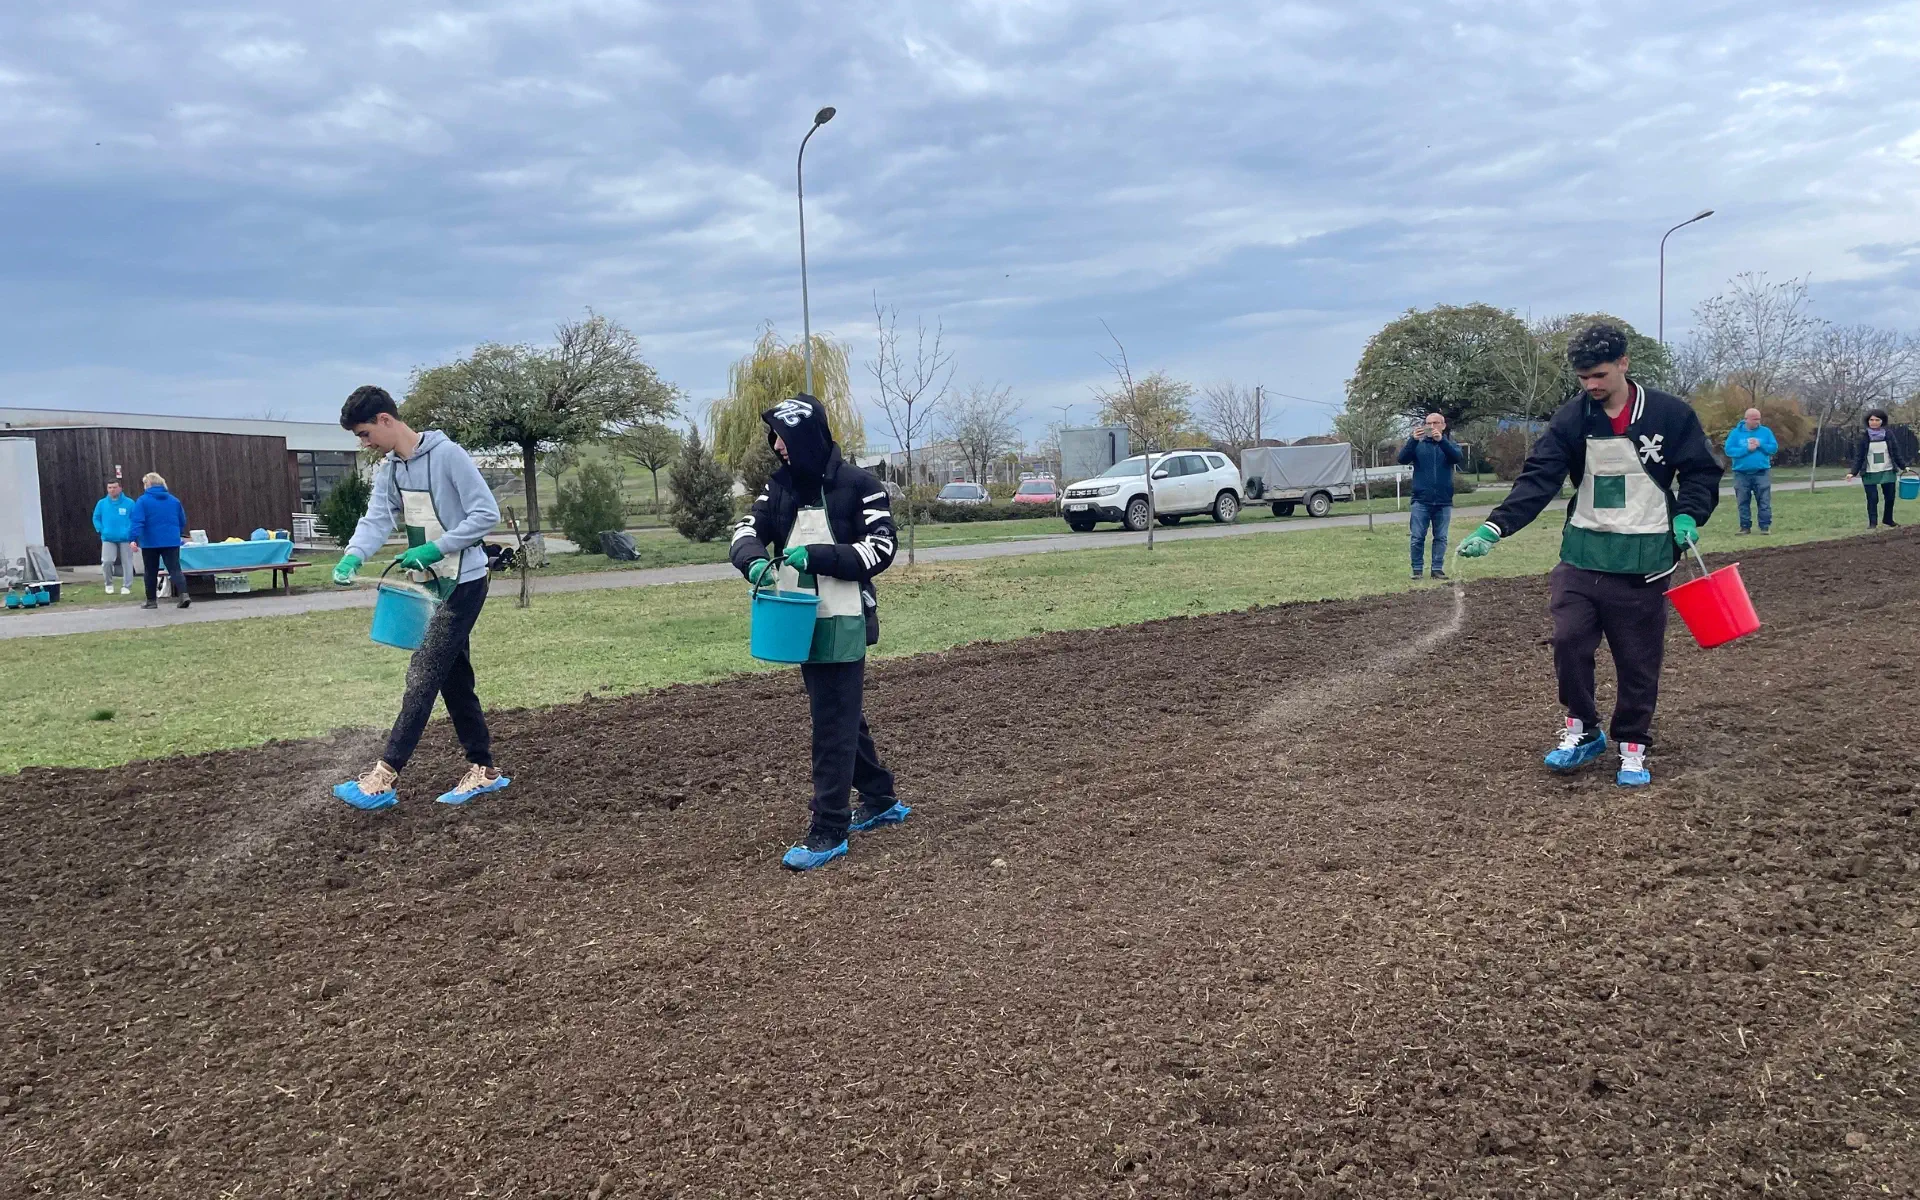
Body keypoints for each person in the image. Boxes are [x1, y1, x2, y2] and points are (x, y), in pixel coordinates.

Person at [1457, 322, 1722, 787]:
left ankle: (1633, 746)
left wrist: (1690, 515)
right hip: (1581, 554)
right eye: (1583, 378)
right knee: (1569, 640)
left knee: (1637, 660)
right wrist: (1495, 527)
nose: (1591, 386)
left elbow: (1701, 472)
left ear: (1623, 363)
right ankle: (1582, 727)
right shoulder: (1572, 419)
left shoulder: (1670, 414)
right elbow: (1538, 479)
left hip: (1644, 562)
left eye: (1599, 375)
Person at [729, 393, 910, 870]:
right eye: (774, 437)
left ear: (809, 435)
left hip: (844, 618)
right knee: (840, 712)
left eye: (786, 437)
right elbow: (746, 530)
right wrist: (751, 563)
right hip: (793, 617)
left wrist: (821, 557)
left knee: (831, 718)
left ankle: (830, 826)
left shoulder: (862, 486)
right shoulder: (779, 489)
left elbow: (880, 549)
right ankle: (880, 798)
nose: (778, 446)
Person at [329, 386, 509, 811]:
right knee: (453, 677)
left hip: (464, 581)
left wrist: (438, 547)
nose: (365, 443)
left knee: (424, 672)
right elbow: (376, 518)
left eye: (365, 433)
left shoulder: (449, 456)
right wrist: (353, 556)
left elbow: (486, 513)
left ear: (386, 421)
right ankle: (483, 769)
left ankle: (384, 777)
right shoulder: (391, 470)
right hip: (430, 585)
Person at [1397, 411, 1464, 580]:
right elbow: (1402, 459)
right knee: (1417, 537)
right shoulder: (1418, 445)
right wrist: (1412, 439)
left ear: (1443, 426)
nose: (1432, 427)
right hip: (1421, 499)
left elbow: (1457, 457)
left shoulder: (1449, 445)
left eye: (1435, 423)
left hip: (1444, 500)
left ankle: (1437, 569)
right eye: (1429, 423)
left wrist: (1441, 441)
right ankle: (1417, 570)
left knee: (1441, 537)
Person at [130, 473, 190, 611]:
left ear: (148, 485)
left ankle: (151, 601)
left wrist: (133, 538)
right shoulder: (174, 501)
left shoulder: (143, 501)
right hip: (171, 540)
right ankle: (184, 594)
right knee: (175, 569)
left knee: (150, 571)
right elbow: (182, 520)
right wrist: (176, 533)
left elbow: (138, 521)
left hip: (150, 541)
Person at [1846, 409, 1908, 528]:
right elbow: (1859, 456)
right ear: (1868, 421)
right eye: (1871, 420)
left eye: (1877, 420)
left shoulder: (1889, 434)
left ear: (1882, 421)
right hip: (1869, 472)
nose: (1874, 422)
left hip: (1888, 470)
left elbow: (1895, 452)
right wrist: (1852, 472)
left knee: (1890, 497)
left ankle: (1888, 520)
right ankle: (1872, 523)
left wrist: (1903, 466)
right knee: (1872, 498)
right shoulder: (1863, 436)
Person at [1722, 408, 1777, 535]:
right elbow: (1729, 450)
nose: (1758, 422)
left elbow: (1773, 448)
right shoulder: (1735, 434)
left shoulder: (1766, 432)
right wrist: (1747, 449)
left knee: (1764, 501)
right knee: (1743, 501)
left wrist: (1760, 445)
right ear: (1746, 419)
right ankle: (1745, 527)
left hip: (1762, 472)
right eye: (1754, 419)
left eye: (1759, 419)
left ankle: (1765, 527)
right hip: (1741, 473)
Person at [92, 480, 137, 595]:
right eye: (110, 487)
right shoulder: (102, 503)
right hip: (108, 537)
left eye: (114, 487)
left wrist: (131, 533)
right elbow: (96, 517)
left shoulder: (129, 503)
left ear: (120, 488)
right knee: (107, 561)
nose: (112, 490)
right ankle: (108, 584)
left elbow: (134, 519)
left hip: (125, 537)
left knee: (127, 562)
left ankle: (127, 586)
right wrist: (101, 529)